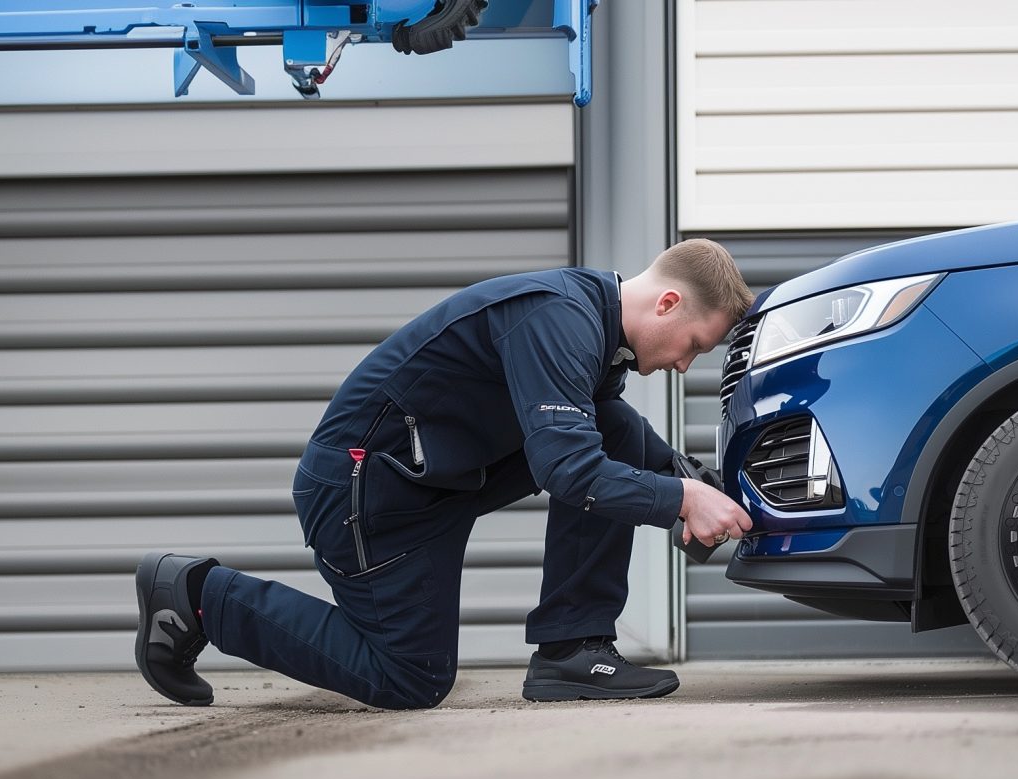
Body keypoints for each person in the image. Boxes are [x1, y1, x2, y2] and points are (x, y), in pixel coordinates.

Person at [133, 239, 757, 710]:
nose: (684, 365)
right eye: (695, 346)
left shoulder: (591, 329)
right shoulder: (558, 318)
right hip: (364, 489)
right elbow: (567, 468)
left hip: (431, 484)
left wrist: (690, 479)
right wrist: (679, 499)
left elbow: (607, 427)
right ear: (668, 303)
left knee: (610, 436)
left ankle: (572, 652)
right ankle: (197, 597)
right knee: (410, 678)